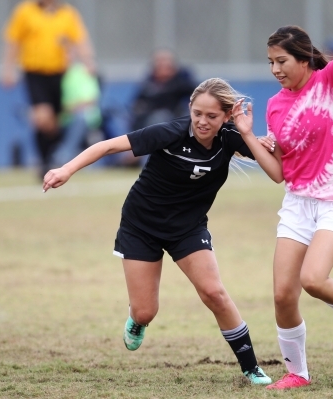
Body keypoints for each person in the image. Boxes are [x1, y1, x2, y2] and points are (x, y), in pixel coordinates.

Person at [42, 78, 272, 385]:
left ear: (227, 116)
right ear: (190, 109)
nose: (203, 121)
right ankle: (137, 321)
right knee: (146, 312)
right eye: (197, 113)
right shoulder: (170, 132)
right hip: (142, 226)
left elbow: (277, 165)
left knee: (214, 292)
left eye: (212, 116)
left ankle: (251, 367)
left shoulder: (232, 136)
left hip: (188, 229)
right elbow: (109, 145)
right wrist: (66, 169)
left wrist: (252, 136)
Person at [230, 0, 333, 389]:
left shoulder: (331, 80)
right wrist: (248, 135)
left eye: (281, 60)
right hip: (299, 203)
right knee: (284, 294)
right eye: (269, 62)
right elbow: (280, 175)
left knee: (314, 279)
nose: (275, 69)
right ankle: (297, 373)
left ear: (303, 58)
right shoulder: (274, 106)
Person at [2, 0, 96, 179]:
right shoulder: (25, 11)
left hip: (60, 74)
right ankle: (46, 161)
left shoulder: (68, 13)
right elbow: (13, 41)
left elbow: (80, 40)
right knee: (42, 117)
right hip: (35, 72)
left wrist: (89, 61)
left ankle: (54, 161)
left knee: (58, 120)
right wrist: (8, 69)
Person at [130, 49, 196, 131]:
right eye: (159, 62)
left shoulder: (182, 83)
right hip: (148, 121)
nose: (162, 65)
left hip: (174, 120)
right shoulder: (148, 85)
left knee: (160, 118)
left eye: (166, 62)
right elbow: (137, 104)